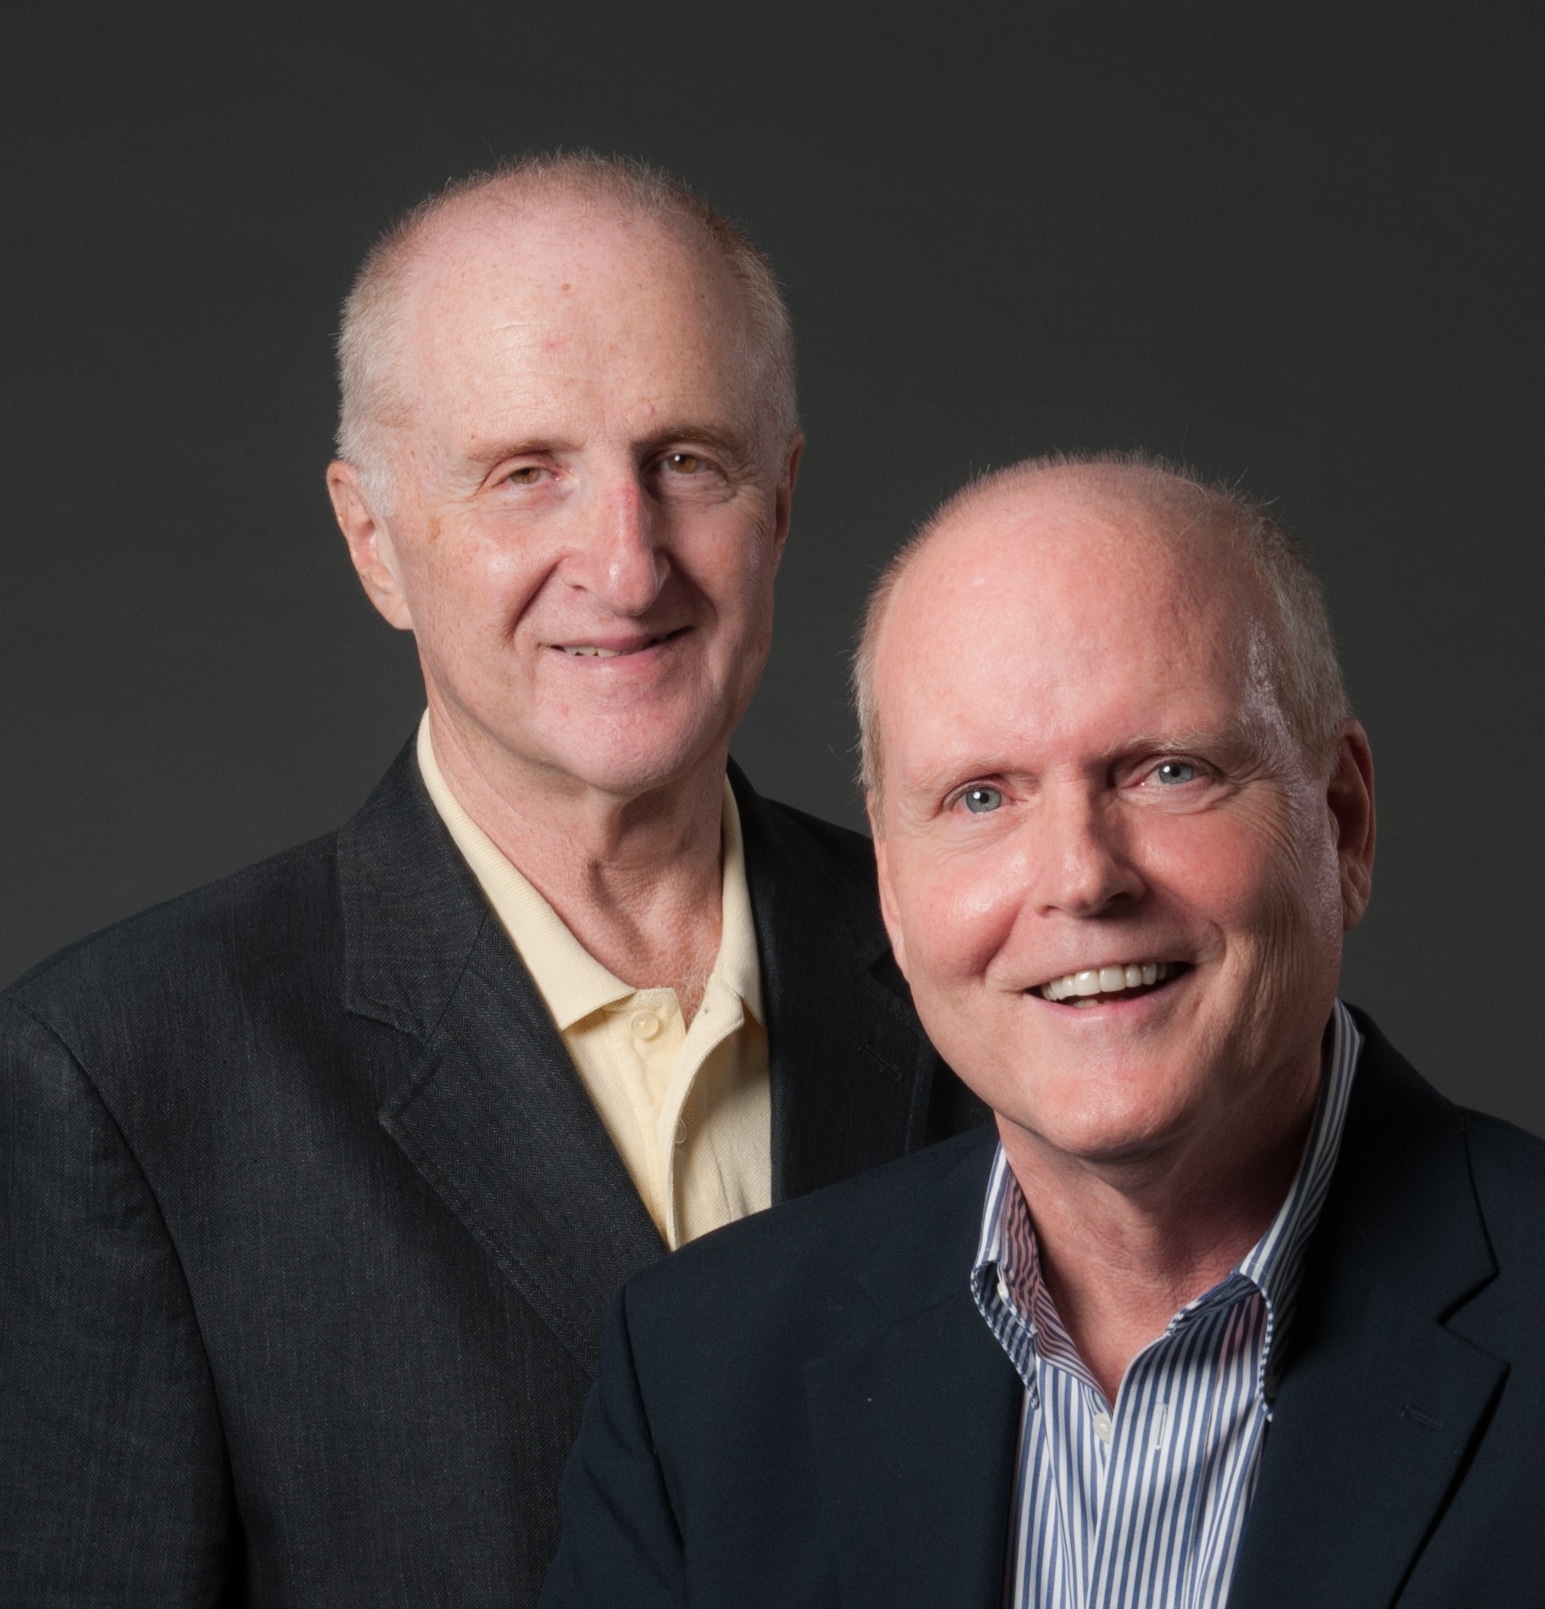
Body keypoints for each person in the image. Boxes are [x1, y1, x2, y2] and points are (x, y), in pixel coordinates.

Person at [540, 454, 1545, 1607]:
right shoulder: (699, 1379)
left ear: (1342, 822)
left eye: (1166, 771)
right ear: (890, 885)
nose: (1080, 877)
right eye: (980, 797)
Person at [0, 154, 980, 1607]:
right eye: (526, 475)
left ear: (778, 501)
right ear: (374, 541)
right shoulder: (126, 1077)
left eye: (687, 462)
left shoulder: (994, 964)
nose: (626, 564)